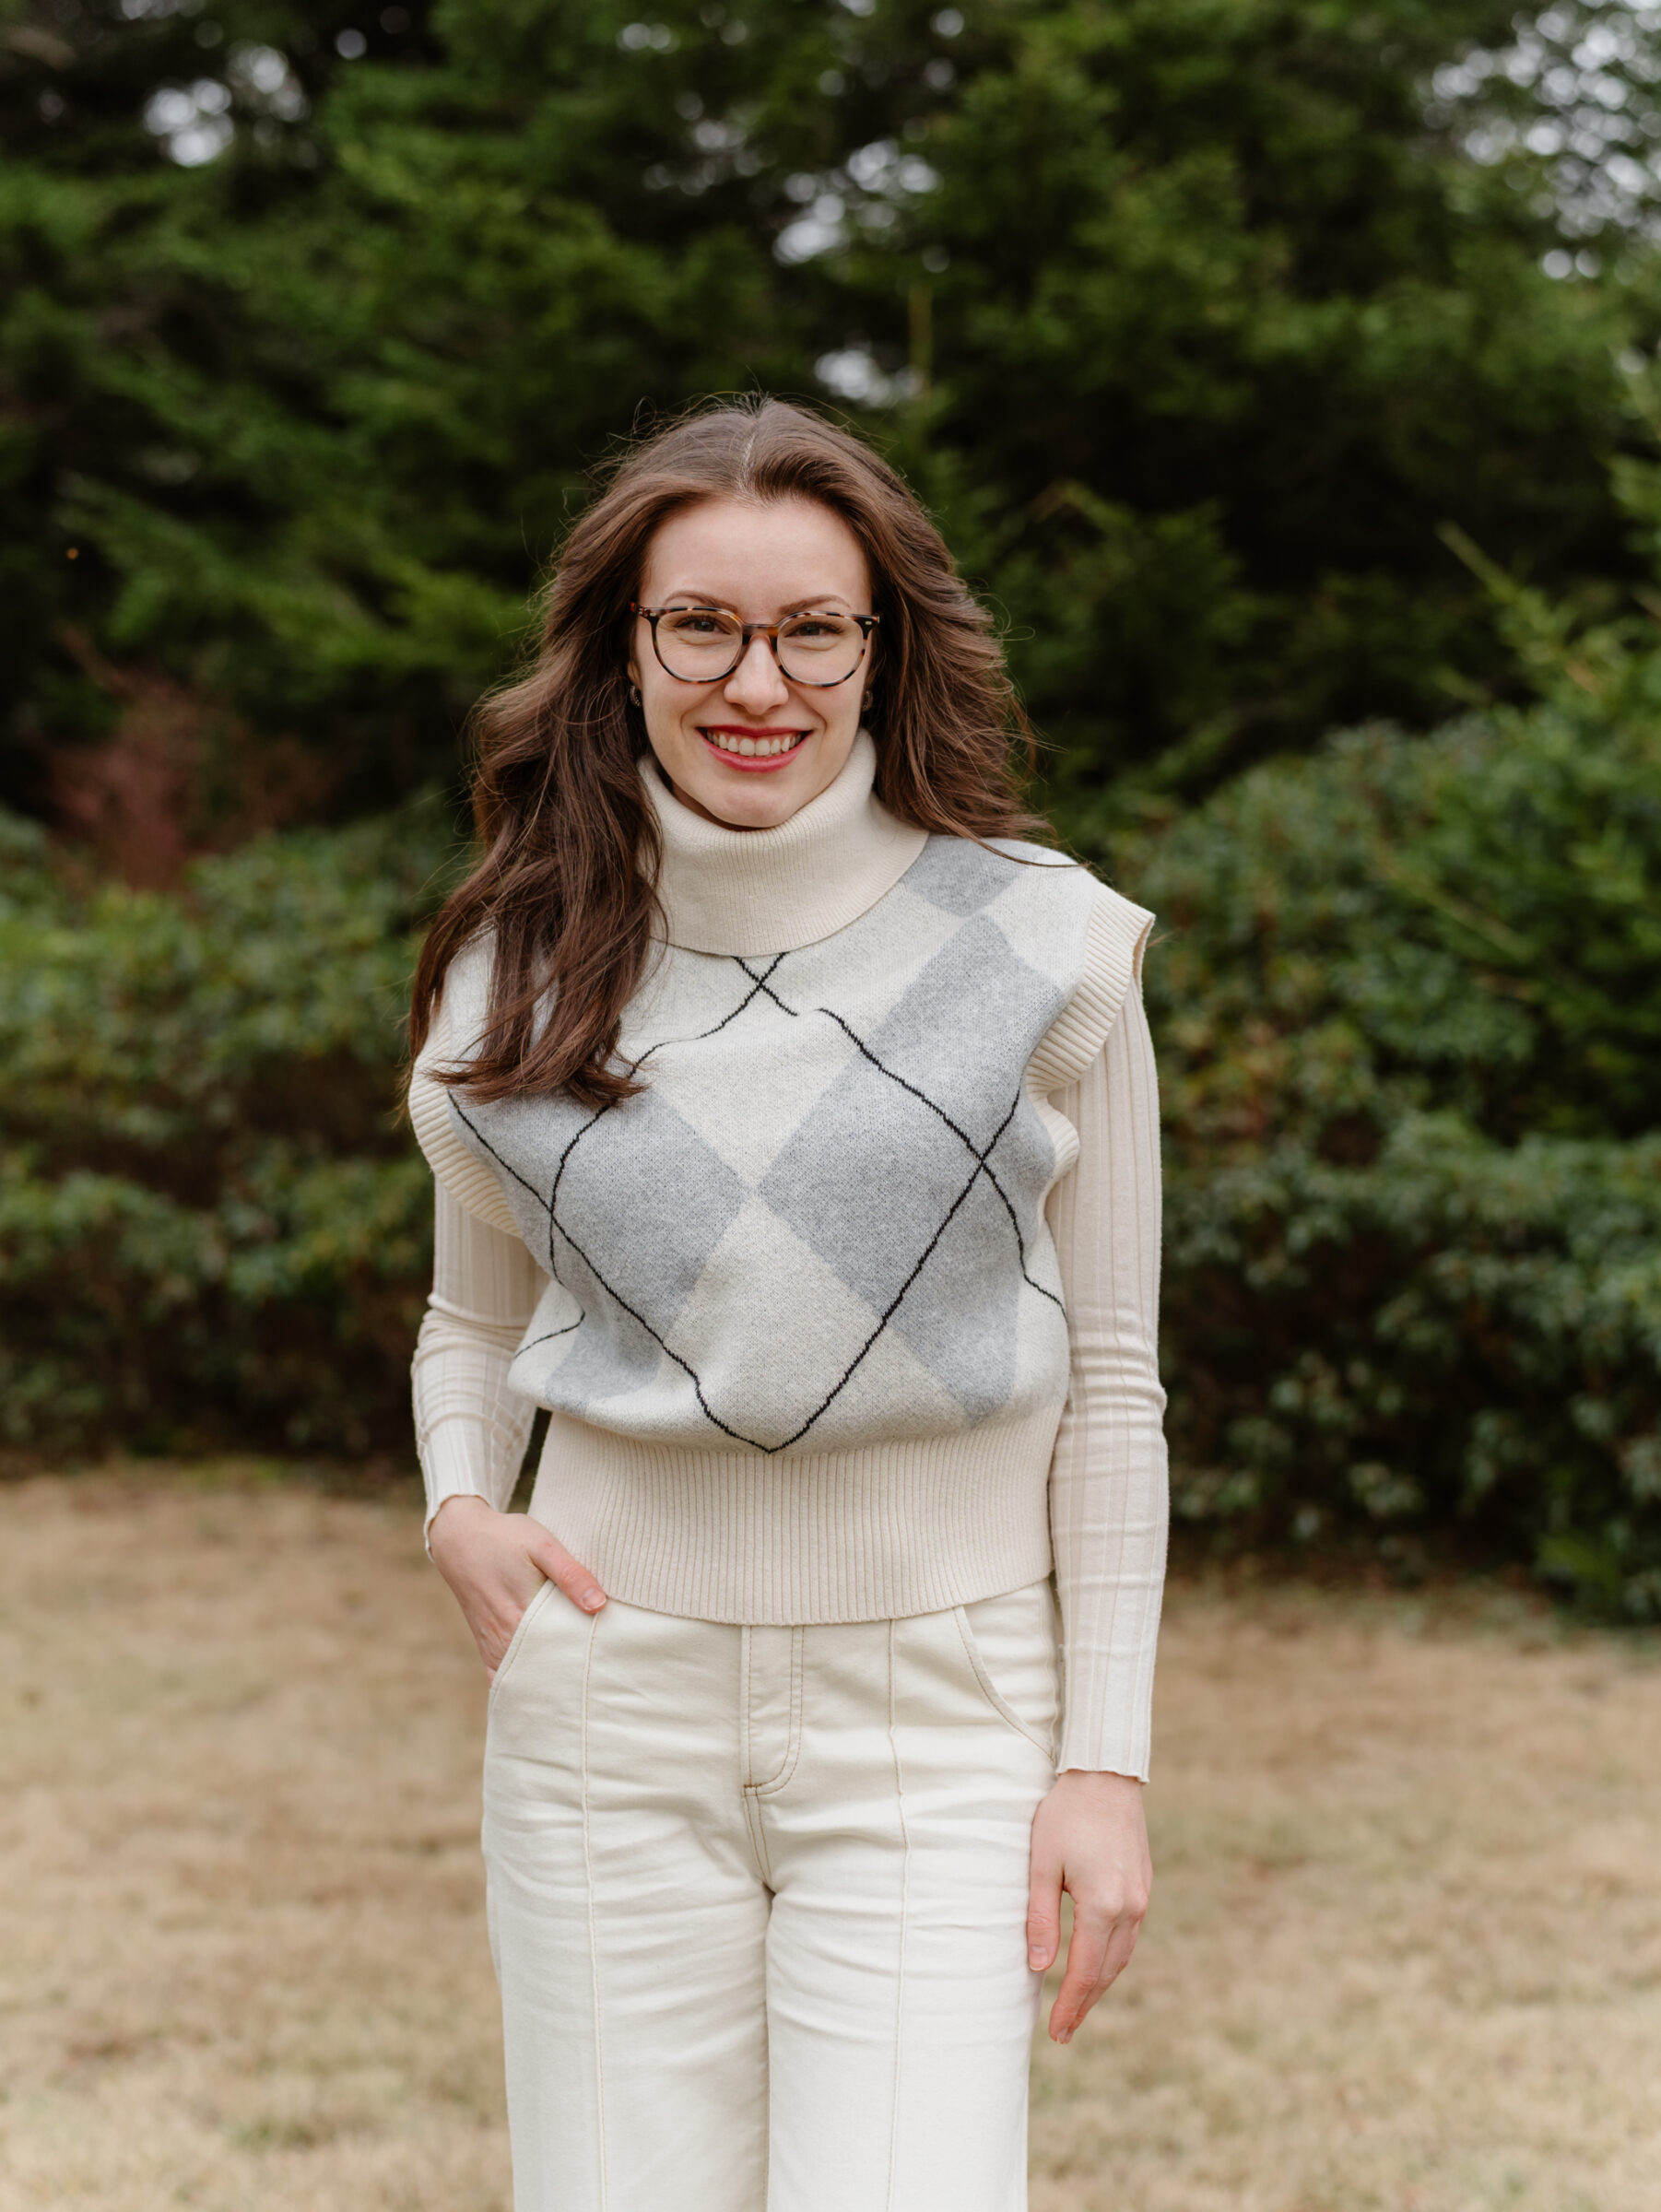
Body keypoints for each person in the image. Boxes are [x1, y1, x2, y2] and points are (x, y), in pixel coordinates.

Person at [406, 398, 1169, 2212]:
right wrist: (456, 1501)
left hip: (941, 1709)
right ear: (622, 648)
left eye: (814, 627)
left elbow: (1119, 1381)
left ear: (883, 645)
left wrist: (1105, 1766)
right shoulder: (516, 959)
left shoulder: (1046, 944)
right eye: (702, 626)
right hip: (604, 1712)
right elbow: (470, 1320)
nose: (759, 681)